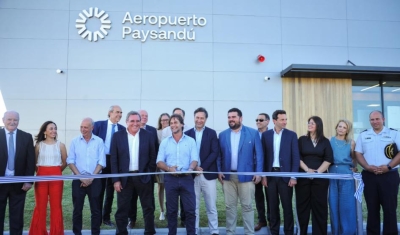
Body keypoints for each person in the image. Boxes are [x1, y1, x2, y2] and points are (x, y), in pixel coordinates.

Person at [217, 108, 263, 235]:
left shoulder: (252, 133)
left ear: (240, 118)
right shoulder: (223, 135)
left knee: (247, 207)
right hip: (228, 177)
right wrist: (219, 171)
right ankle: (230, 232)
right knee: (229, 207)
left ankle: (249, 232)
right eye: (229, 117)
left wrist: (258, 173)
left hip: (247, 177)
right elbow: (219, 155)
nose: (231, 119)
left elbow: (259, 155)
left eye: (233, 117)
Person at [110, 111, 156, 235]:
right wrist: (116, 180)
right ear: (126, 122)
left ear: (140, 122)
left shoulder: (149, 135)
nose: (135, 123)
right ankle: (121, 232)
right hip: (125, 178)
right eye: (132, 121)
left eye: (137, 121)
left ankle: (150, 231)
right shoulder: (117, 136)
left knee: (148, 207)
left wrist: (148, 173)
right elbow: (113, 159)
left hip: (143, 177)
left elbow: (153, 157)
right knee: (122, 209)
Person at [355, 111, 400, 235]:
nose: (375, 122)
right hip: (370, 176)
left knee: (390, 209)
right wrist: (367, 166)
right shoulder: (364, 135)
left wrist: (389, 167)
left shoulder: (394, 133)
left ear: (383, 119)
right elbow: (358, 153)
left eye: (377, 119)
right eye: (372, 120)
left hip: (389, 175)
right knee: (372, 208)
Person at [157, 114, 198, 235]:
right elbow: (159, 162)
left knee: (190, 211)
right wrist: (169, 169)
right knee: (172, 211)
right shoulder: (165, 142)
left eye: (176, 122)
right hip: (171, 179)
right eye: (171, 123)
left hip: (187, 179)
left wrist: (190, 169)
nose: (173, 125)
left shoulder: (190, 141)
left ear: (182, 124)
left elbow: (195, 159)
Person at [261, 110, 300, 235]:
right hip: (271, 175)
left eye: (286, 119)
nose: (285, 122)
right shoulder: (266, 135)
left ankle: (289, 232)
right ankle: (274, 231)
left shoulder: (291, 135)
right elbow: (263, 156)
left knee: (287, 207)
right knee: (272, 207)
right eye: (282, 119)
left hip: (286, 176)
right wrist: (264, 176)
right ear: (274, 121)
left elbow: (295, 157)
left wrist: (293, 176)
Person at [67, 117, 106, 235]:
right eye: (81, 127)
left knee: (96, 210)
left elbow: (102, 162)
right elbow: (70, 161)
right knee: (77, 210)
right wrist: (81, 177)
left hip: (95, 180)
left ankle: (95, 232)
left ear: (92, 128)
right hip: (78, 180)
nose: (83, 129)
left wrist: (91, 178)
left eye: (86, 127)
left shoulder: (99, 141)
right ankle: (77, 232)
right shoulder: (74, 141)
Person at [295, 116, 333, 235]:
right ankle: (302, 232)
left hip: (320, 179)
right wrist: (307, 171)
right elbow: (298, 157)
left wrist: (316, 173)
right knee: (302, 207)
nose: (309, 125)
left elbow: (328, 159)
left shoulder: (325, 141)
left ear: (318, 125)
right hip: (303, 177)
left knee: (320, 208)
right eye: (309, 123)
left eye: (312, 123)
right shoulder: (301, 139)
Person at [185, 107, 219, 235]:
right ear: (194, 118)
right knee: (194, 206)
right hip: (192, 176)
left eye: (202, 118)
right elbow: (185, 154)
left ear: (205, 119)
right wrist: (194, 168)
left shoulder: (211, 133)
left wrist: (202, 167)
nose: (199, 120)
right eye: (197, 117)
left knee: (211, 206)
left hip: (208, 175)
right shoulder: (187, 133)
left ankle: (214, 231)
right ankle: (194, 230)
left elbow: (214, 152)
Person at [29, 121, 68, 234]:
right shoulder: (38, 145)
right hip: (41, 176)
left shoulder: (61, 145)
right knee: (40, 205)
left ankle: (56, 232)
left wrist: (56, 171)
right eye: (51, 128)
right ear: (45, 131)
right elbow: (35, 161)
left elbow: (65, 161)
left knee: (56, 206)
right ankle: (38, 232)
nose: (53, 131)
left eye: (55, 128)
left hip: (56, 176)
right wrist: (41, 172)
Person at [0, 111, 35, 235]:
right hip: (0, 183)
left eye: (15, 120)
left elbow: (31, 161)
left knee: (17, 217)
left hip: (19, 184)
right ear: (3, 120)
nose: (12, 122)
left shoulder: (26, 137)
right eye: (9, 119)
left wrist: (28, 181)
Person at [93, 105, 125, 227]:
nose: (120, 114)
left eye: (121, 112)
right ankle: (97, 217)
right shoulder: (98, 125)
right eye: (117, 112)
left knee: (111, 192)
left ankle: (106, 217)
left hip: (114, 162)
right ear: (110, 113)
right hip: (101, 161)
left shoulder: (122, 129)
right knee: (99, 191)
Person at [128, 109, 159, 228]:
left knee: (149, 199)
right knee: (132, 198)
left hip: (146, 173)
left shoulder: (152, 130)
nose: (144, 117)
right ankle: (132, 219)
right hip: (131, 173)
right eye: (142, 115)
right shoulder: (128, 132)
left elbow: (154, 151)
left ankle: (150, 222)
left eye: (146, 116)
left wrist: (150, 171)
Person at [161, 107, 190, 226]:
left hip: (185, 173)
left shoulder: (189, 130)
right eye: (175, 115)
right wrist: (168, 167)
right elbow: (163, 151)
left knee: (185, 199)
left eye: (180, 115)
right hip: (170, 172)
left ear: (183, 118)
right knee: (171, 199)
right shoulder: (166, 131)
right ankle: (170, 218)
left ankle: (183, 218)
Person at [329, 119, 357, 235]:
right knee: (333, 205)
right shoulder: (329, 140)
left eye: (344, 127)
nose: (341, 129)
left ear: (347, 130)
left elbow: (355, 157)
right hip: (331, 175)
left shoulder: (351, 142)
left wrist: (354, 167)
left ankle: (348, 232)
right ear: (336, 127)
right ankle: (336, 232)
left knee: (347, 205)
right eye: (339, 126)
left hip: (346, 175)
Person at [254, 113, 270, 231]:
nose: (258, 121)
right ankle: (262, 220)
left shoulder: (272, 135)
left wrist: (265, 174)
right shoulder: (253, 134)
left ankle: (272, 219)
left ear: (267, 121)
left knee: (271, 197)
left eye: (261, 120)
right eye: (257, 120)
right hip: (256, 171)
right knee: (258, 197)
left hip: (270, 171)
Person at [155, 112, 170, 221]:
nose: (164, 122)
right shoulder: (157, 133)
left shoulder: (173, 131)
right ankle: (162, 211)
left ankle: (175, 209)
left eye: (166, 120)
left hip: (172, 164)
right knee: (161, 187)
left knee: (173, 188)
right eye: (162, 120)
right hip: (161, 164)